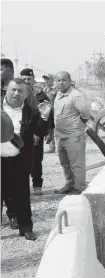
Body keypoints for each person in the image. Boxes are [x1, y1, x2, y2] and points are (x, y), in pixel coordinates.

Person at [1, 78, 52, 240]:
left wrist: (44, 118)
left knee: (22, 195)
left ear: (26, 94)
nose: (16, 94)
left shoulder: (31, 111)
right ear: (6, 91)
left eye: (20, 91)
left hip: (20, 160)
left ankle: (26, 228)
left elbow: (40, 132)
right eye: (13, 90)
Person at [53, 71, 90, 195]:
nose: (61, 83)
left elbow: (85, 113)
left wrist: (77, 126)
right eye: (58, 80)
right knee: (65, 164)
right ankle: (69, 184)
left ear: (69, 81)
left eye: (64, 80)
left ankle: (79, 188)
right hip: (60, 136)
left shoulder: (75, 95)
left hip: (73, 137)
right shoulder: (58, 95)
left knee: (77, 165)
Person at [20, 68, 51, 195]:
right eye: (24, 79)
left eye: (29, 79)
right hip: (21, 133)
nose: (27, 81)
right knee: (20, 161)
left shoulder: (41, 94)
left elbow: (49, 114)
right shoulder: (15, 93)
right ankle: (22, 187)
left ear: (33, 80)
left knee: (36, 160)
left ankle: (37, 185)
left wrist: (48, 132)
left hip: (37, 130)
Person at [42, 73, 57, 153]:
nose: (46, 81)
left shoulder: (56, 90)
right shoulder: (44, 90)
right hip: (48, 113)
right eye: (45, 79)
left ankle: (64, 147)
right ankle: (52, 147)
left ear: (52, 80)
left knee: (59, 129)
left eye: (48, 79)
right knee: (49, 129)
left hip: (56, 112)